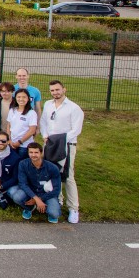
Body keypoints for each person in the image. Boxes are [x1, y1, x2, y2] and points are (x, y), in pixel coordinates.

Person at [39, 80, 84, 224]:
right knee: (52, 173)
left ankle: (73, 208)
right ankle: (58, 200)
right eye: (52, 90)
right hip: (50, 143)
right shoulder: (48, 104)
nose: (55, 93)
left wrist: (60, 140)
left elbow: (76, 130)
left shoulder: (74, 108)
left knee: (68, 176)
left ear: (64, 89)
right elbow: (44, 122)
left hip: (66, 145)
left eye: (57, 90)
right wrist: (45, 136)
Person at [15, 143, 63, 223]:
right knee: (17, 196)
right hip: (31, 192)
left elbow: (57, 189)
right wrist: (36, 199)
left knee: (54, 214)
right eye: (31, 152)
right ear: (28, 153)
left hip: (47, 194)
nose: (33, 155)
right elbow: (23, 184)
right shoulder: (23, 164)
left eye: (36, 152)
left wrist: (40, 199)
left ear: (41, 153)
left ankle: (46, 207)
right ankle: (29, 208)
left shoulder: (52, 168)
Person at [5, 88, 38, 156]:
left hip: (24, 146)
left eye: (24, 97)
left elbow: (32, 131)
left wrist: (20, 142)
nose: (21, 99)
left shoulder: (31, 113)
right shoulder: (12, 110)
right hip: (12, 144)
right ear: (15, 98)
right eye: (19, 97)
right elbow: (9, 125)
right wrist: (9, 139)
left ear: (28, 99)